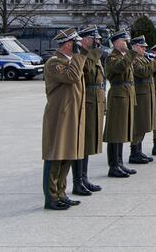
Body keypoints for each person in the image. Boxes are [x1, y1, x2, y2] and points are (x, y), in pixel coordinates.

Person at [42, 28, 86, 210]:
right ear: (68, 44)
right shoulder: (54, 63)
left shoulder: (70, 61)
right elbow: (72, 77)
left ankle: (61, 193)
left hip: (71, 115)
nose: (79, 47)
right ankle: (51, 198)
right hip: (59, 116)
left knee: (67, 155)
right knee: (55, 155)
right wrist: (78, 56)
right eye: (76, 44)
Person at [71, 26, 105, 196]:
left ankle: (84, 178)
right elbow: (88, 72)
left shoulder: (91, 55)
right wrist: (95, 52)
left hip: (94, 100)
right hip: (86, 101)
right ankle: (77, 182)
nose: (98, 42)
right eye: (94, 39)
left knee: (88, 142)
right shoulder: (81, 55)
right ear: (85, 40)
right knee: (81, 142)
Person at [103, 30, 137, 178]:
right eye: (124, 41)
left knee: (122, 130)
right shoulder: (112, 57)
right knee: (115, 132)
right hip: (118, 96)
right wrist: (131, 53)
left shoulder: (123, 56)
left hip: (125, 95)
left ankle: (120, 162)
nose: (126, 43)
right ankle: (113, 165)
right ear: (116, 43)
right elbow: (120, 68)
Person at [129, 36, 156, 164]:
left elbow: (152, 73)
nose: (144, 49)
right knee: (139, 125)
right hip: (140, 96)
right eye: (142, 47)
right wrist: (155, 62)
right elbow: (142, 72)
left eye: (145, 47)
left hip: (147, 95)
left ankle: (139, 150)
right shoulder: (134, 60)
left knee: (145, 124)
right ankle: (134, 152)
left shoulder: (144, 58)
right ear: (135, 47)